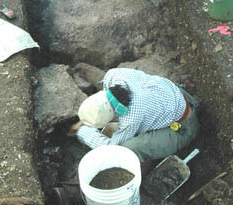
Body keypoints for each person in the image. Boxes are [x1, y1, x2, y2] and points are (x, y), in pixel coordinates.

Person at [69, 67, 199, 162]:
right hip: (172, 95)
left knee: (128, 148)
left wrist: (83, 132)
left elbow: (112, 149)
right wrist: (84, 119)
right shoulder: (114, 75)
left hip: (184, 125)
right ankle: (80, 68)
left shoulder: (131, 119)